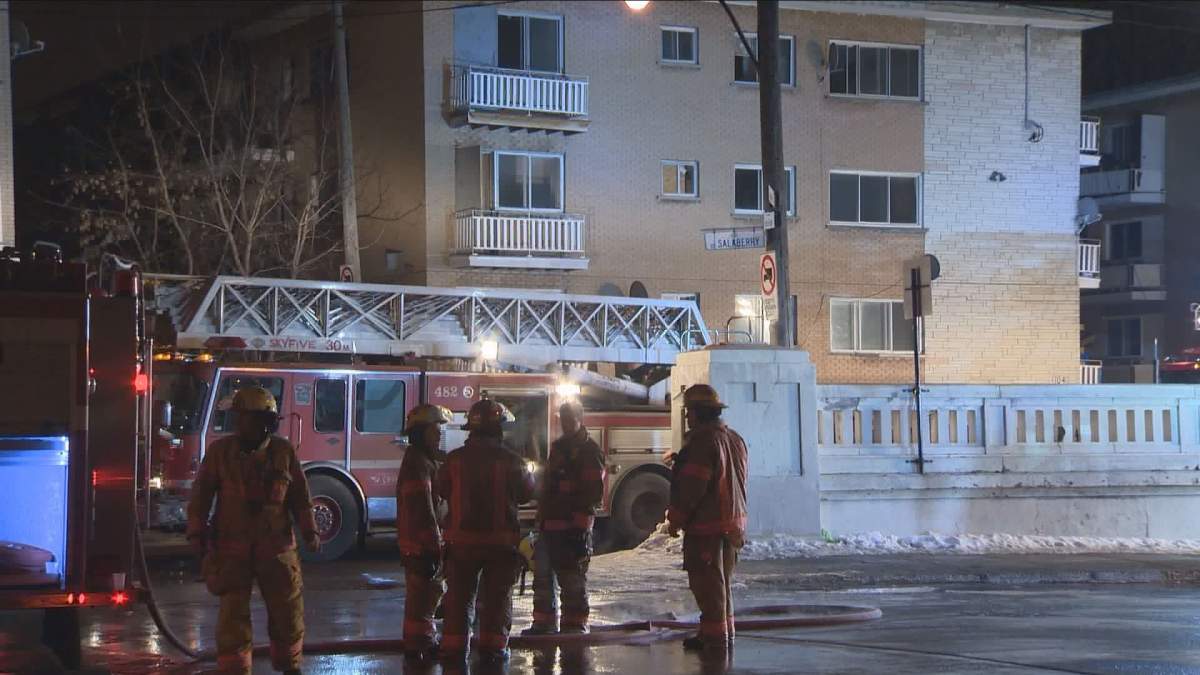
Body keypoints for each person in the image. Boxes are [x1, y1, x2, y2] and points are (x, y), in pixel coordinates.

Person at [186, 385, 320, 675]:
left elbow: (300, 497)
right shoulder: (221, 453)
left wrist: (310, 532)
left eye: (252, 419)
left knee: (287, 613)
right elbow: (201, 496)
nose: (244, 425)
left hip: (277, 552)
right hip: (233, 553)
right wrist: (196, 534)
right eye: (242, 418)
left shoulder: (283, 452)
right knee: (232, 618)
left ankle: (289, 666)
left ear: (266, 422)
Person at [437, 397, 535, 664]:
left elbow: (441, 489)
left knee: (458, 600)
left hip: (461, 545)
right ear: (498, 429)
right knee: (496, 601)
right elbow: (527, 492)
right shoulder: (512, 461)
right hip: (499, 546)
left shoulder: (454, 460)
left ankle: (454, 650)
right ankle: (493, 651)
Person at [666, 384, 749, 652]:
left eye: (689, 411)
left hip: (707, 529)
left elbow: (693, 488)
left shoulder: (702, 443)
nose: (688, 417)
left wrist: (675, 519)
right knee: (722, 586)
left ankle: (714, 643)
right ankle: (724, 636)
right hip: (732, 528)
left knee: (708, 587)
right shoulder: (734, 438)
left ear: (699, 413)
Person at [524, 400, 605, 635]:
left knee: (572, 578)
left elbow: (594, 494)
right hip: (550, 525)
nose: (567, 424)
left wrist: (579, 525)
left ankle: (575, 624)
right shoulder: (558, 448)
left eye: (571, 419)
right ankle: (543, 622)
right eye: (564, 419)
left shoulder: (590, 451)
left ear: (580, 418)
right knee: (542, 578)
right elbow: (548, 485)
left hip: (573, 527)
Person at [395, 403, 454, 661]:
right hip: (421, 544)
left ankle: (421, 642)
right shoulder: (418, 464)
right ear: (420, 433)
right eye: (434, 429)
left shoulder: (423, 460)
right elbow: (423, 508)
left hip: (420, 542)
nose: (439, 433)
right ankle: (418, 645)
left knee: (427, 597)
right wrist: (433, 543)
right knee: (423, 598)